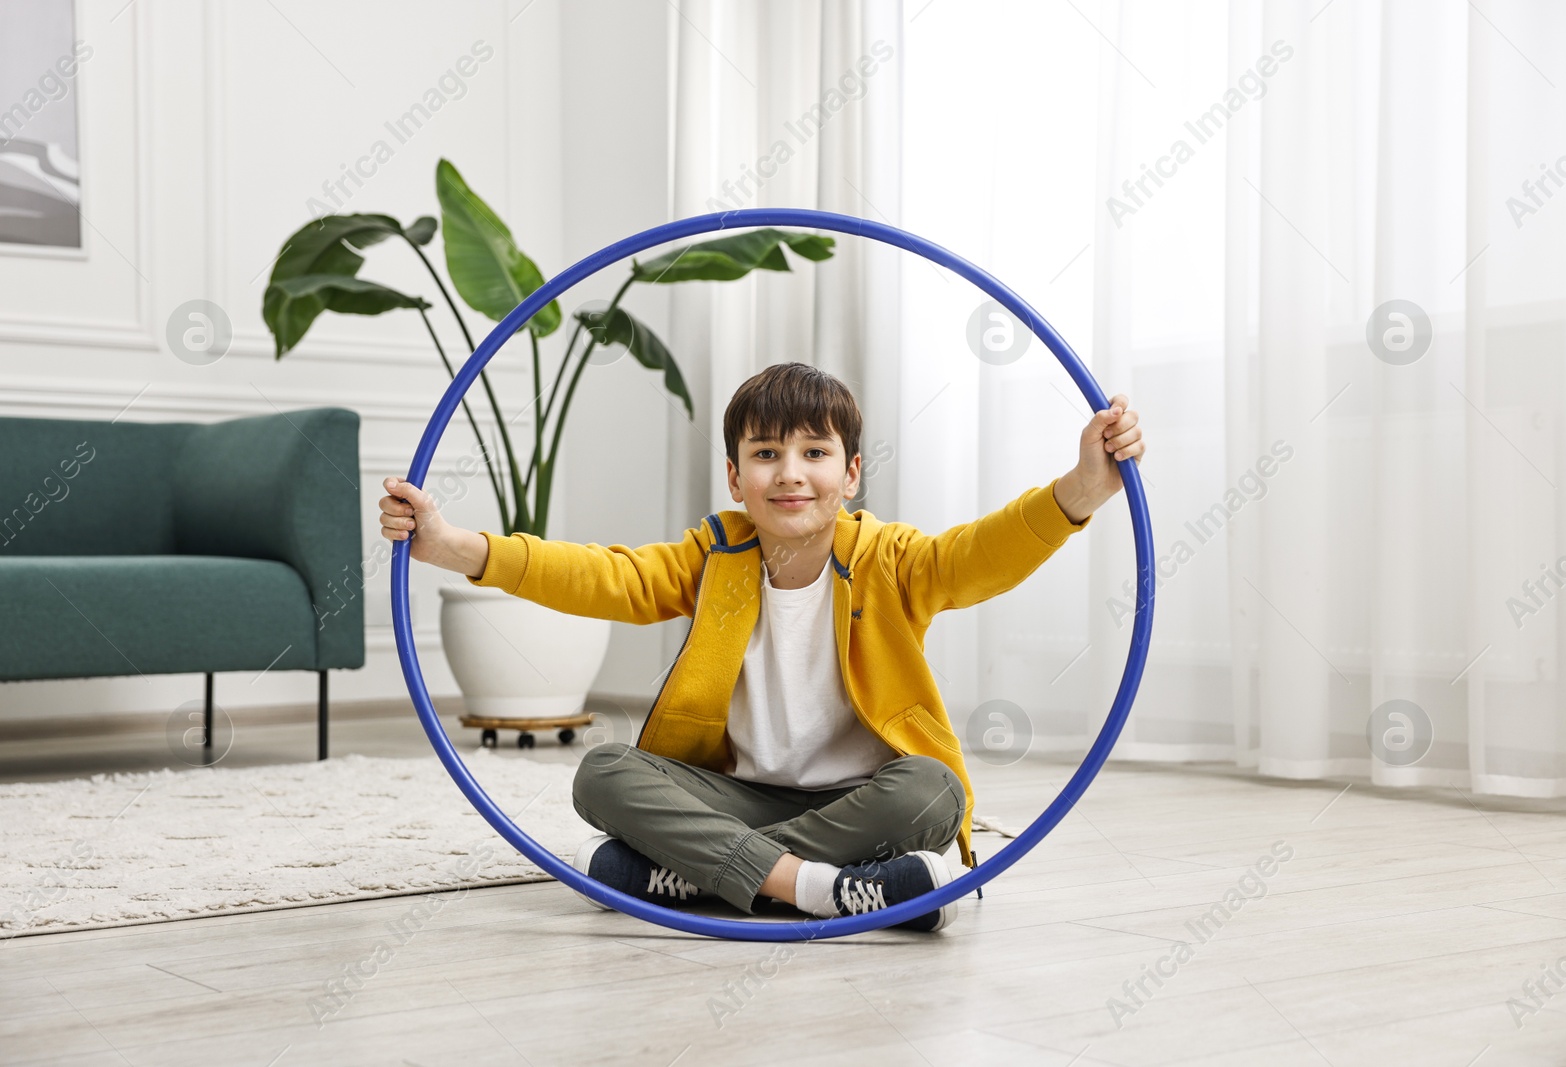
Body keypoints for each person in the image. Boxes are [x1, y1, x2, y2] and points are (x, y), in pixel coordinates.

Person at [379, 362, 1144, 932]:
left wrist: (1081, 487)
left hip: (861, 797)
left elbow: (980, 554)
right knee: (604, 772)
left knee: (935, 792)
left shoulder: (890, 558)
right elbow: (603, 576)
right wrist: (454, 545)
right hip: (739, 792)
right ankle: (829, 888)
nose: (790, 474)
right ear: (735, 476)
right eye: (766, 453)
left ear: (850, 474)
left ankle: (697, 876)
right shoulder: (714, 553)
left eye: (814, 453)